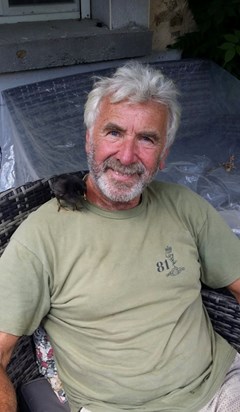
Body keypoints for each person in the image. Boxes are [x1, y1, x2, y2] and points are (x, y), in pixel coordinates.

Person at [0, 61, 240, 412]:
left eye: (147, 138)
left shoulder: (186, 208)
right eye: (114, 133)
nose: (127, 156)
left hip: (221, 388)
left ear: (163, 155)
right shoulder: (41, 237)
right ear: (89, 139)